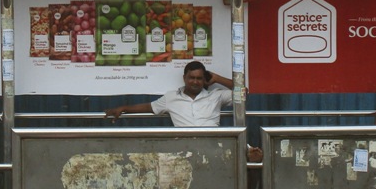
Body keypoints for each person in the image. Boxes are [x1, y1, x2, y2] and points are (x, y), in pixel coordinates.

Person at [106, 61, 262, 160]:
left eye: (199, 78)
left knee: (250, 152)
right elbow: (149, 107)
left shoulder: (216, 96)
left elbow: (243, 93)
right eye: (191, 77)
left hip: (214, 143)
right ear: (184, 78)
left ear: (204, 80)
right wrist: (124, 108)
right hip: (185, 147)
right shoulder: (171, 97)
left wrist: (217, 78)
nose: (195, 81)